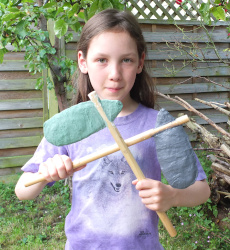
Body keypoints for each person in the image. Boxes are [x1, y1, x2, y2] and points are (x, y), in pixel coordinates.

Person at [15, 9, 210, 249]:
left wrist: (172, 196)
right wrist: (45, 173)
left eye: (126, 60)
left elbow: (201, 190)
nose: (115, 74)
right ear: (83, 62)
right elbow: (22, 190)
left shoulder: (159, 125)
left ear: (140, 62)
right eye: (102, 60)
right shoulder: (73, 125)